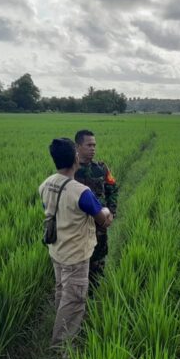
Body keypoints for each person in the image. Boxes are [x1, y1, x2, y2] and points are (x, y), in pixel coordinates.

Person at [39, 138, 113, 347]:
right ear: (75, 158)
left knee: (62, 289)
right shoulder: (81, 192)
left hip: (57, 249)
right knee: (74, 299)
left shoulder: (46, 184)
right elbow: (102, 219)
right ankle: (62, 347)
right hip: (76, 254)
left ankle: (58, 322)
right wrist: (108, 212)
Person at [74, 129, 119, 290]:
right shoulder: (70, 169)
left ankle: (93, 297)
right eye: (89, 145)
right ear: (78, 146)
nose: (93, 148)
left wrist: (112, 212)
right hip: (77, 226)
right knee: (77, 264)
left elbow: (112, 189)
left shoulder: (101, 168)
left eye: (94, 145)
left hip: (99, 223)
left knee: (98, 261)